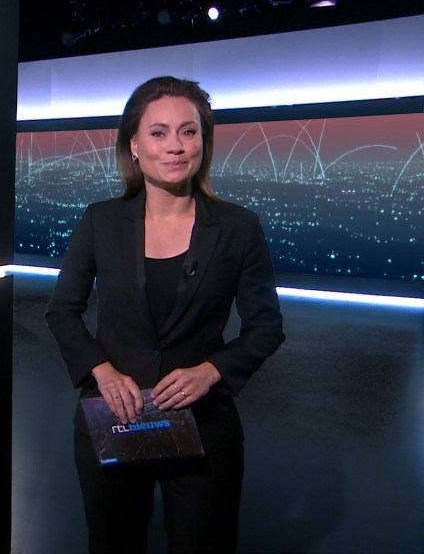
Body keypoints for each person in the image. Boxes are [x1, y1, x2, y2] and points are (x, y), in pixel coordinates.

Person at [45, 75, 285, 554]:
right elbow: (63, 311)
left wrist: (211, 370)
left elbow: (266, 326)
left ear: (203, 142)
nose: (175, 146)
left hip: (203, 423)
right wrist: (102, 369)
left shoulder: (239, 227)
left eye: (188, 132)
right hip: (115, 416)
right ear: (134, 145)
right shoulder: (100, 221)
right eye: (158, 133)